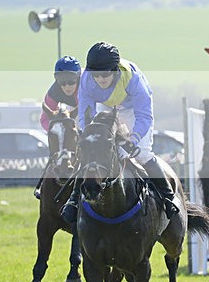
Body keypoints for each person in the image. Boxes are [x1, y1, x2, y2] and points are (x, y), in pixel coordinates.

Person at [60, 41, 179, 223]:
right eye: (96, 75)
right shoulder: (86, 80)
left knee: (143, 154)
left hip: (134, 111)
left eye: (105, 74)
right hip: (106, 108)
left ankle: (168, 198)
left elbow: (144, 116)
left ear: (115, 70)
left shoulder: (133, 79)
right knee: (91, 150)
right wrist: (87, 135)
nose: (100, 79)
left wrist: (133, 140)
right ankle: (74, 200)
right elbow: (85, 113)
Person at [34, 55, 81, 199]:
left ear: (78, 78)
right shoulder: (53, 93)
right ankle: (43, 187)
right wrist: (58, 130)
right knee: (58, 151)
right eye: (62, 82)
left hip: (90, 113)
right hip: (68, 121)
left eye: (71, 81)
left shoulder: (86, 87)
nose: (67, 86)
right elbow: (44, 119)